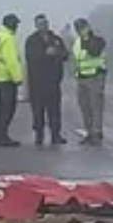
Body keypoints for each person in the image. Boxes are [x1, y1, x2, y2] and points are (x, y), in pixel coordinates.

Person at [23, 14, 71, 146]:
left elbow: (66, 55)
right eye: (39, 24)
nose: (42, 26)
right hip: (37, 83)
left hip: (53, 82)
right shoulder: (31, 40)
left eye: (44, 23)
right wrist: (45, 54)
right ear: (36, 25)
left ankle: (56, 135)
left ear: (47, 24)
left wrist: (56, 52)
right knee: (38, 111)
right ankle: (39, 135)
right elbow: (31, 57)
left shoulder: (56, 39)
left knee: (54, 111)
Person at [0, 13, 25, 147]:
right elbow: (11, 61)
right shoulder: (8, 38)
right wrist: (18, 78)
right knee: (9, 108)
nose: (17, 27)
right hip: (7, 77)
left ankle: (2, 135)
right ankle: (3, 137)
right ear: (11, 24)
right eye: (16, 24)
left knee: (3, 107)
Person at [72, 18, 108, 145]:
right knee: (84, 106)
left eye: (82, 27)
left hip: (95, 76)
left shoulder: (97, 40)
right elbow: (76, 59)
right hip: (81, 77)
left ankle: (97, 132)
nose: (79, 30)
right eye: (77, 28)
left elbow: (94, 51)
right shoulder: (76, 42)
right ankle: (89, 132)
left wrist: (87, 38)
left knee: (96, 106)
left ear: (87, 27)